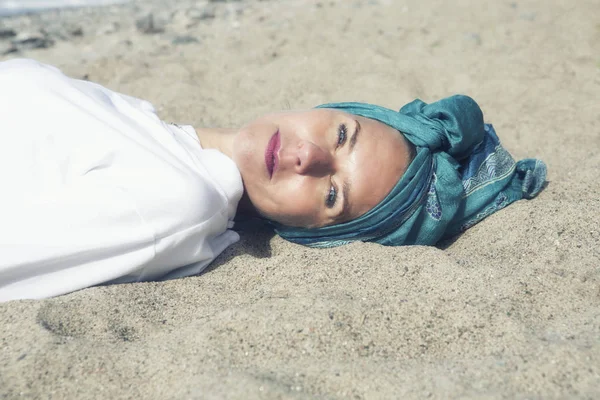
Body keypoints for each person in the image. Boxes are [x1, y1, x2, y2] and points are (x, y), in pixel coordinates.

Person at [0, 59, 546, 301]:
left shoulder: (178, 202)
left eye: (332, 195)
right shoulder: (158, 132)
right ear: (328, 107)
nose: (306, 155)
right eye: (341, 134)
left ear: (312, 233)